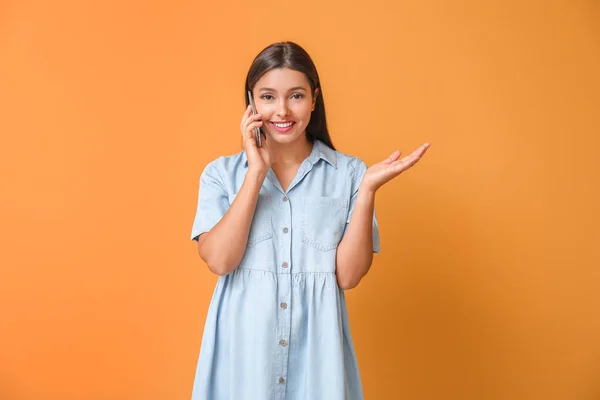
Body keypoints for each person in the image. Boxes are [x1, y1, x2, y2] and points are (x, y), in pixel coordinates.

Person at [189, 41, 430, 400]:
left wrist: (366, 193)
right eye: (268, 97)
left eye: (296, 96)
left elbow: (348, 276)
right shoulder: (221, 174)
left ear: (314, 99)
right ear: (250, 101)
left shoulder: (348, 174)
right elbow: (220, 260)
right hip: (242, 360)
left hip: (318, 361)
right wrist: (256, 173)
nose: (282, 110)